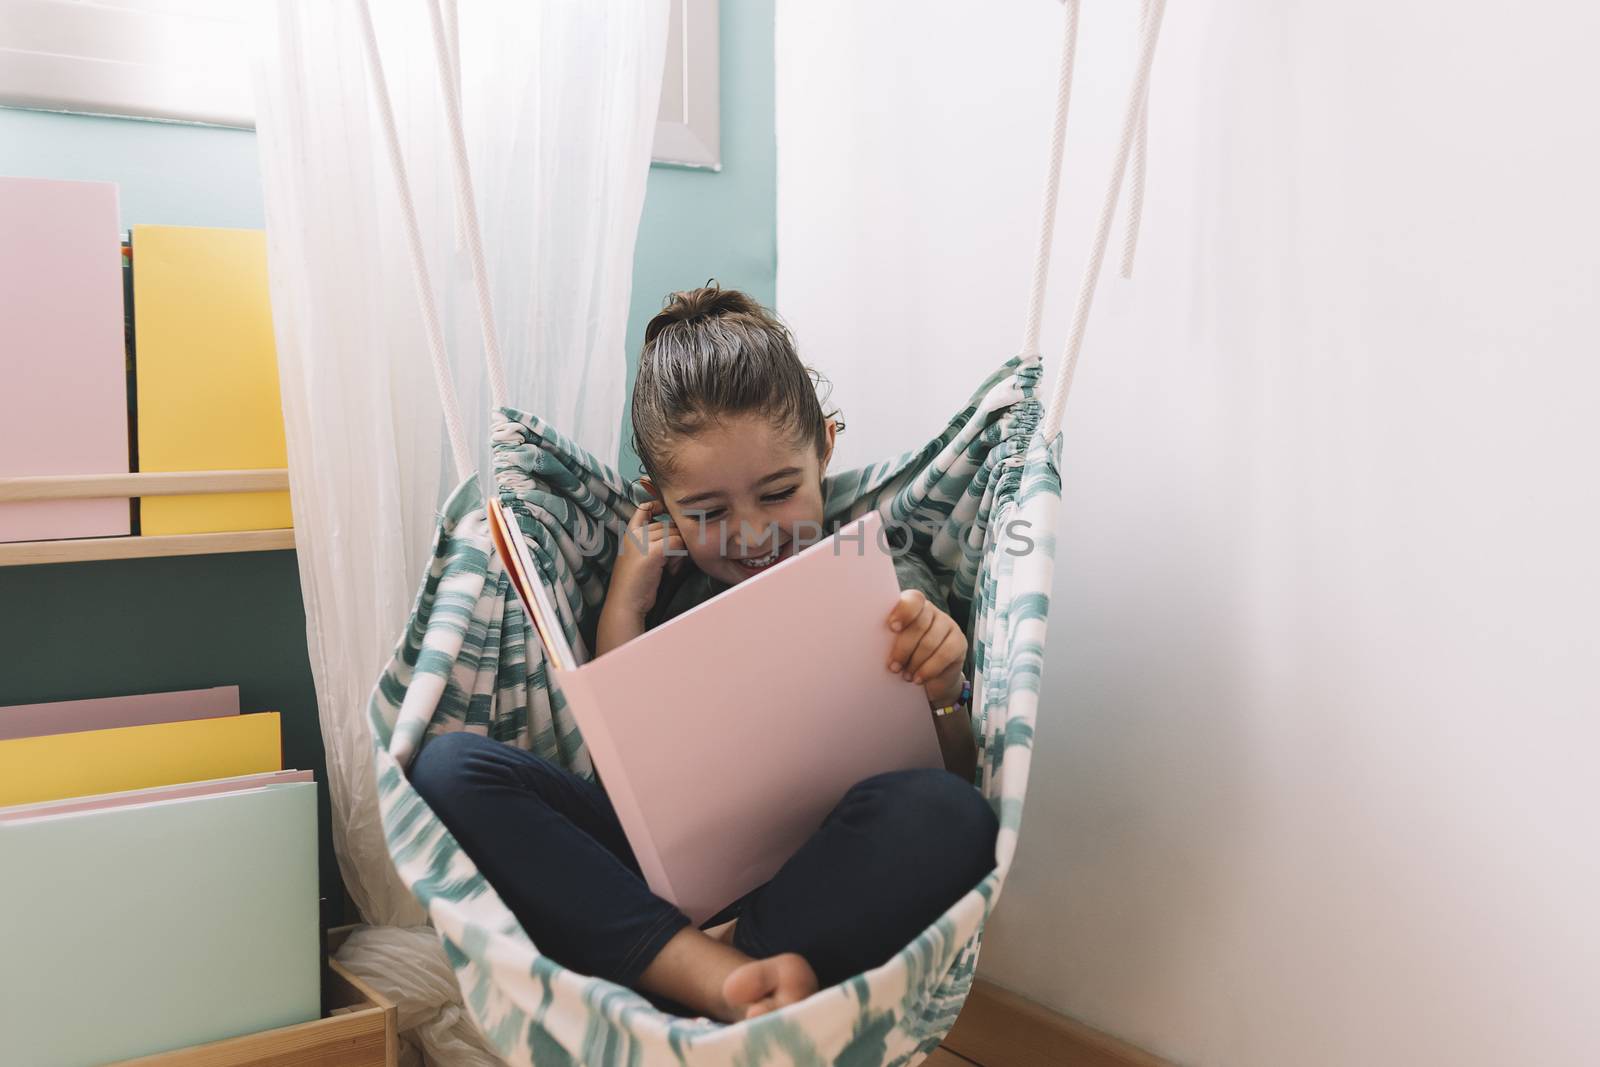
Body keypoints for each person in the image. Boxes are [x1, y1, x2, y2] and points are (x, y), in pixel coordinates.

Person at [411, 286, 997, 1022]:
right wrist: (626, 603)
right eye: (709, 513)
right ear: (660, 501)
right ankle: (702, 971)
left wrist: (943, 685)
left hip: (807, 883)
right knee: (451, 768)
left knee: (951, 814)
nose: (750, 533)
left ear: (825, 447)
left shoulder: (883, 578)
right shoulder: (665, 590)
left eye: (779, 492)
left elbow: (959, 764)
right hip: (657, 883)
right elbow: (618, 756)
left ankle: (709, 967)